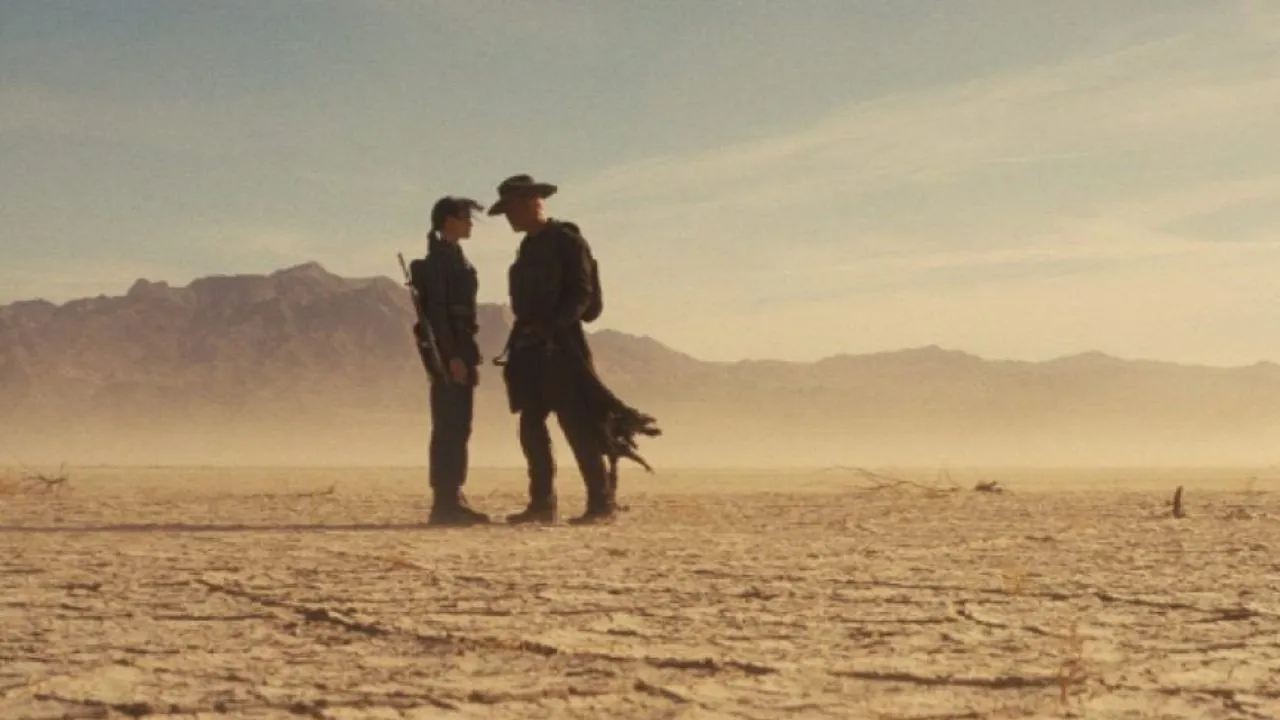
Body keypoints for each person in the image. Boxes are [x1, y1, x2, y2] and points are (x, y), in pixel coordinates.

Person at [485, 174, 659, 525]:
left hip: (562, 347)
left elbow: (582, 295)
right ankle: (542, 504)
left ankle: (601, 504)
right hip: (528, 347)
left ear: (533, 203)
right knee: (530, 425)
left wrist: (552, 327)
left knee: (577, 425)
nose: (510, 218)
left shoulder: (567, 241)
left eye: (513, 209)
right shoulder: (527, 248)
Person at [412, 195, 491, 527]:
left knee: (459, 424)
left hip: (460, 350)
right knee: (449, 425)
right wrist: (452, 357)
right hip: (450, 354)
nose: (470, 223)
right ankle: (445, 501)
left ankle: (452, 496)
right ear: (448, 221)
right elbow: (439, 315)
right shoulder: (439, 262)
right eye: (464, 217)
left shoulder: (454, 257)